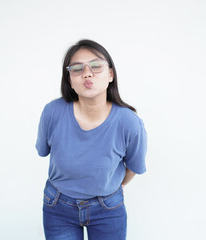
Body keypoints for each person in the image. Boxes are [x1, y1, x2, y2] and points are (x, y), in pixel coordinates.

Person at [35, 39, 147, 240]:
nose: (87, 73)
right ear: (69, 79)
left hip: (108, 209)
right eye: (77, 69)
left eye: (96, 66)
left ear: (110, 74)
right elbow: (43, 150)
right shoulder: (52, 112)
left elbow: (133, 167)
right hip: (58, 207)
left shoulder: (129, 122)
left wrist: (109, 187)